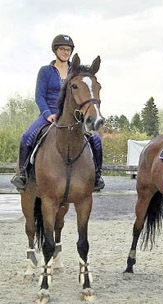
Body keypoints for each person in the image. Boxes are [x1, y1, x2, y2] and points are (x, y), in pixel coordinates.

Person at [11, 34, 105, 192]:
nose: (65, 52)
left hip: (72, 115)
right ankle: (23, 174)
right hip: (49, 113)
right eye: (62, 48)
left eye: (68, 49)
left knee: (96, 140)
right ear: (55, 50)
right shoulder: (46, 71)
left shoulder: (75, 72)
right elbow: (39, 96)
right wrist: (48, 114)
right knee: (27, 136)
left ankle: (97, 175)